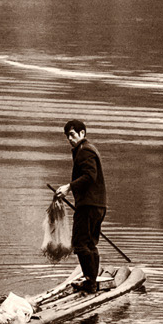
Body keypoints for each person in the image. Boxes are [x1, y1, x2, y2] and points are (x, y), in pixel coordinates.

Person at [55, 118, 106, 294]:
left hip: (88, 206)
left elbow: (90, 176)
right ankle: (92, 280)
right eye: (67, 136)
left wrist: (69, 187)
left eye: (72, 134)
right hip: (98, 205)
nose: (69, 139)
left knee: (80, 243)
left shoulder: (84, 151)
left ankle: (90, 283)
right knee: (90, 243)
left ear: (82, 133)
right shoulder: (89, 148)